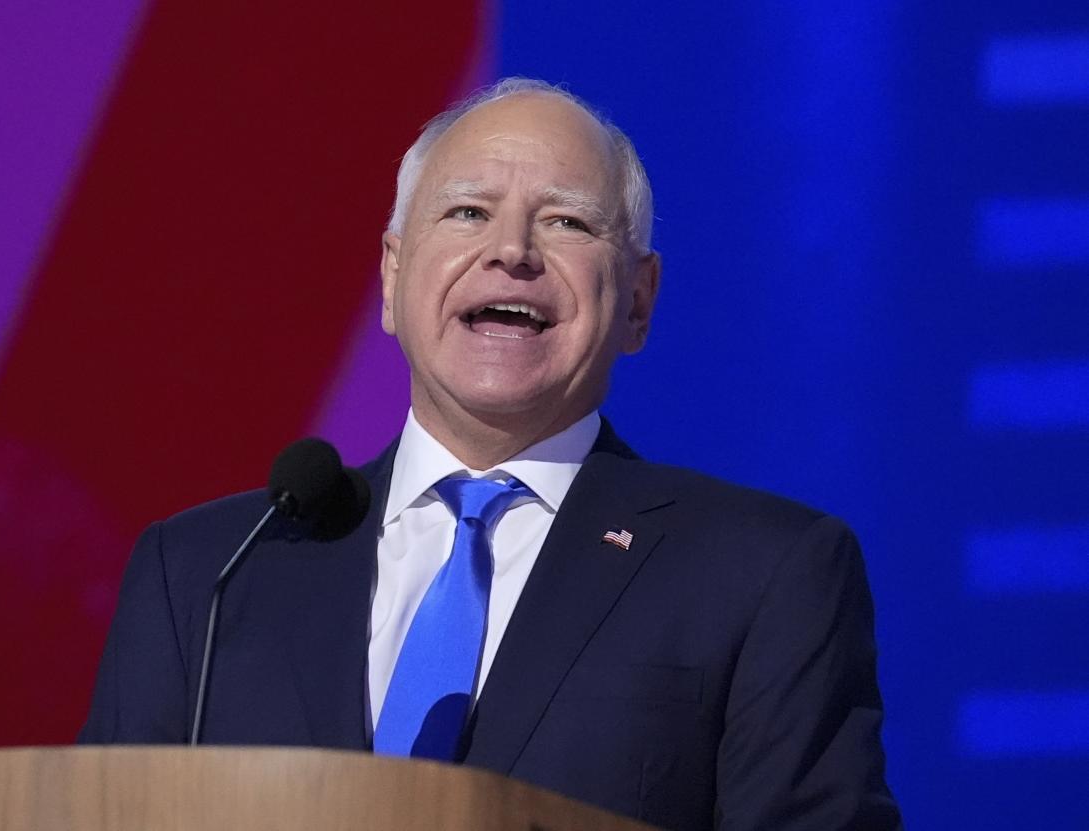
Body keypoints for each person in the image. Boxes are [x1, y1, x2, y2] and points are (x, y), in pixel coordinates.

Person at [80, 77, 902, 830]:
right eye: (467, 212)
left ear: (639, 302)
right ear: (392, 277)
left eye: (567, 221)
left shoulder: (763, 573)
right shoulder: (207, 575)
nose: (513, 250)